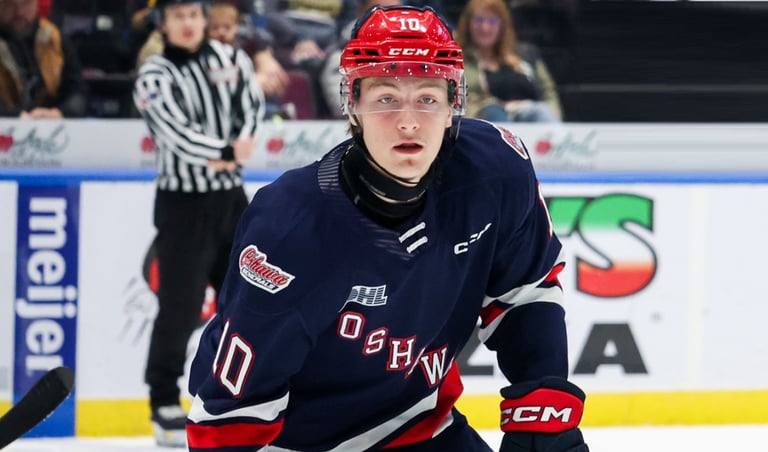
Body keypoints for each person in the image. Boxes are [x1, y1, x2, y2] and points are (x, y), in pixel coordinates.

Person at [185, 5, 588, 452]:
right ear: (352, 104)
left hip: (422, 429)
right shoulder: (291, 225)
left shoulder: (494, 171)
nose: (409, 121)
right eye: (386, 98)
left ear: (453, 104)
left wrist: (541, 416)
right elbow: (231, 415)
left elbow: (526, 294)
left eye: (427, 98)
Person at [132, 0, 263, 447]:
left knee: (248, 300)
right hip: (183, 206)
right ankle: (163, 398)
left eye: (193, 15)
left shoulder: (231, 57)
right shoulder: (155, 74)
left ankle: (244, 391)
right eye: (178, 17)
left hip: (231, 200)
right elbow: (172, 132)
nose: (187, 24)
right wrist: (224, 151)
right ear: (163, 24)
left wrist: (242, 140)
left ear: (204, 19)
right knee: (181, 307)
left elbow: (251, 103)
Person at [454, 0, 562, 122]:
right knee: (495, 113)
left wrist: (553, 109)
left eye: (493, 21)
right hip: (484, 117)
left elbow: (547, 90)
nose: (485, 27)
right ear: (467, 24)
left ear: (502, 25)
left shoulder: (525, 55)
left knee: (541, 112)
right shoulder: (457, 60)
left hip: (528, 114)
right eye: (479, 20)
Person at [0, 0, 87, 118]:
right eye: (9, 4)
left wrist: (59, 113)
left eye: (26, 3)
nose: (19, 12)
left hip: (50, 123)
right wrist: (15, 116)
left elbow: (78, 91)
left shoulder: (55, 39)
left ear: (37, 4)